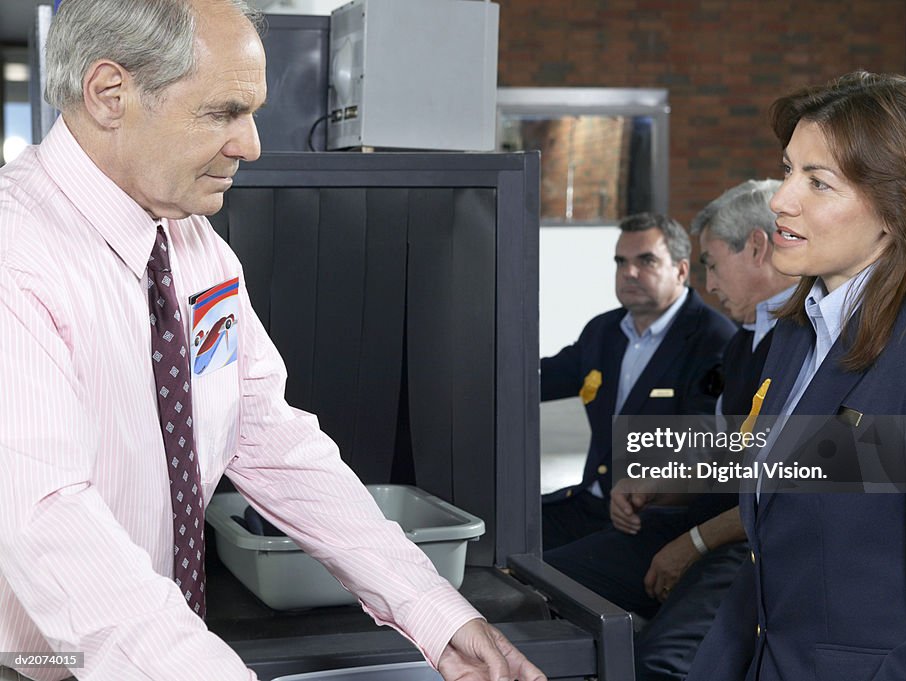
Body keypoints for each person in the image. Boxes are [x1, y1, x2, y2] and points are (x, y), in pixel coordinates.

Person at [0, 2, 545, 680]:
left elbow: (270, 437)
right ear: (110, 94)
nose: (251, 144)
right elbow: (48, 517)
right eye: (223, 111)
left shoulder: (195, 248)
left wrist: (432, 607)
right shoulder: (14, 254)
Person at [688, 71, 906, 681]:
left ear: (896, 209)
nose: (782, 200)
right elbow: (776, 551)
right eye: (788, 170)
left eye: (819, 182)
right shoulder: (798, 336)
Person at [545, 179, 798, 680]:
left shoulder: (784, 339)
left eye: (710, 262)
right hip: (688, 515)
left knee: (660, 664)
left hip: (751, 544)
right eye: (620, 262)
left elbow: (793, 478)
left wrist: (696, 542)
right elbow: (731, 451)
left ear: (755, 247)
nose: (708, 281)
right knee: (541, 576)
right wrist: (659, 486)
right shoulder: (745, 340)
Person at [540, 212, 736, 551]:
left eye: (646, 261)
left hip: (649, 517)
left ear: (681, 270)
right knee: (496, 539)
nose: (629, 272)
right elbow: (539, 380)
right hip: (590, 500)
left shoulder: (713, 340)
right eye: (621, 262)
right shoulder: (604, 331)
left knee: (542, 575)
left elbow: (704, 446)